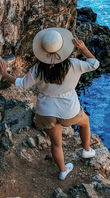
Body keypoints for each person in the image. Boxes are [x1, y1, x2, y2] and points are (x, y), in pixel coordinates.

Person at [0, 27, 100, 180]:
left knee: (56, 144)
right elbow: (94, 64)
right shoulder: (74, 64)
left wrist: (5, 74)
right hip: (70, 111)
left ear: (42, 50)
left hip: (46, 112)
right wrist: (83, 48)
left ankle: (62, 170)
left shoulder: (38, 69)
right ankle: (86, 150)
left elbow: (21, 84)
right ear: (63, 48)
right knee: (85, 123)